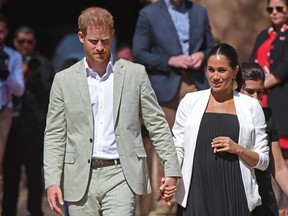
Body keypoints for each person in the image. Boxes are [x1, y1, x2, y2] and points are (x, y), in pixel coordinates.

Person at [43, 7, 181, 216]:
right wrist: (52, 181)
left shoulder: (135, 74)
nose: (100, 47)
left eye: (105, 41)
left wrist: (171, 169)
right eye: (94, 41)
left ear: (113, 35)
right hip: (80, 176)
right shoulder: (63, 80)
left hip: (121, 174)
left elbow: (157, 124)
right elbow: (55, 134)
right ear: (81, 37)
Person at [132, 1, 214, 213]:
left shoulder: (199, 12)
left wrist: (202, 55)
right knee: (167, 147)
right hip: (165, 90)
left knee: (200, 144)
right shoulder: (148, 14)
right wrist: (170, 60)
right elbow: (139, 53)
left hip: (196, 85)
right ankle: (165, 206)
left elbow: (211, 46)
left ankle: (199, 200)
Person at [172, 43, 269, 215]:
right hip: (196, 192)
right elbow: (177, 148)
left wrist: (237, 148)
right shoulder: (189, 101)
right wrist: (171, 177)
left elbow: (263, 161)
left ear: (235, 71)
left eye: (222, 70)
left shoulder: (252, 106)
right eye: (211, 70)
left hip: (236, 193)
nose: (215, 76)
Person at [1, 25, 55, 216]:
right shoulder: (6, 61)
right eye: (21, 41)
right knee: (10, 175)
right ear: (14, 41)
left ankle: (35, 211)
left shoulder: (43, 64)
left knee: (34, 175)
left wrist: (32, 78)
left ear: (34, 43)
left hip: (34, 128)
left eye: (29, 42)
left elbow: (51, 96)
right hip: (12, 128)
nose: (25, 45)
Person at [249, 0, 288, 210]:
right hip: (261, 102)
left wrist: (260, 84)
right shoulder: (263, 35)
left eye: (279, 8)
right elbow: (251, 64)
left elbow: (282, 69)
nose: (274, 13)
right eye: (270, 9)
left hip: (281, 104)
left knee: (280, 159)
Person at [240, 61, 288, 216]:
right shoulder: (225, 117)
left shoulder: (266, 116)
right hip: (236, 198)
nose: (256, 99)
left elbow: (279, 167)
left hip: (264, 199)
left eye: (260, 92)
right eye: (250, 92)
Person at [0, 13, 24, 194]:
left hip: (3, 112)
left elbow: (20, 90)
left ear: (6, 32)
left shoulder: (13, 57)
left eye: (1, 31)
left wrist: (6, 75)